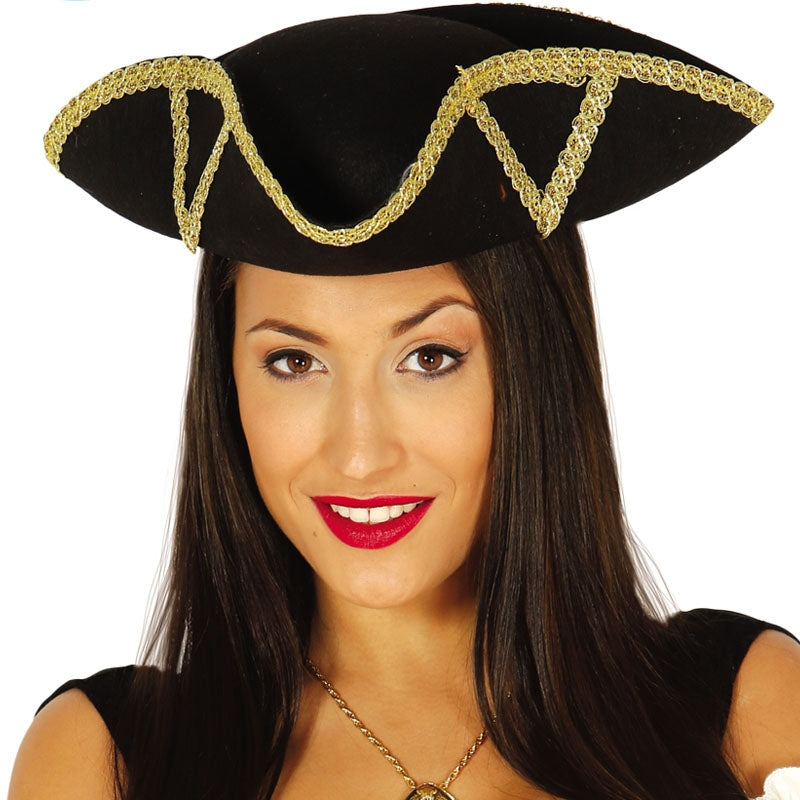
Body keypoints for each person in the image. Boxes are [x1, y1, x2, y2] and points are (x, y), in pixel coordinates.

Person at [8, 4, 800, 800]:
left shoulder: (751, 711)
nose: (359, 454)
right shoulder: (104, 763)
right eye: (294, 361)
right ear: (227, 385)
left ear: (535, 369)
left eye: (429, 358)